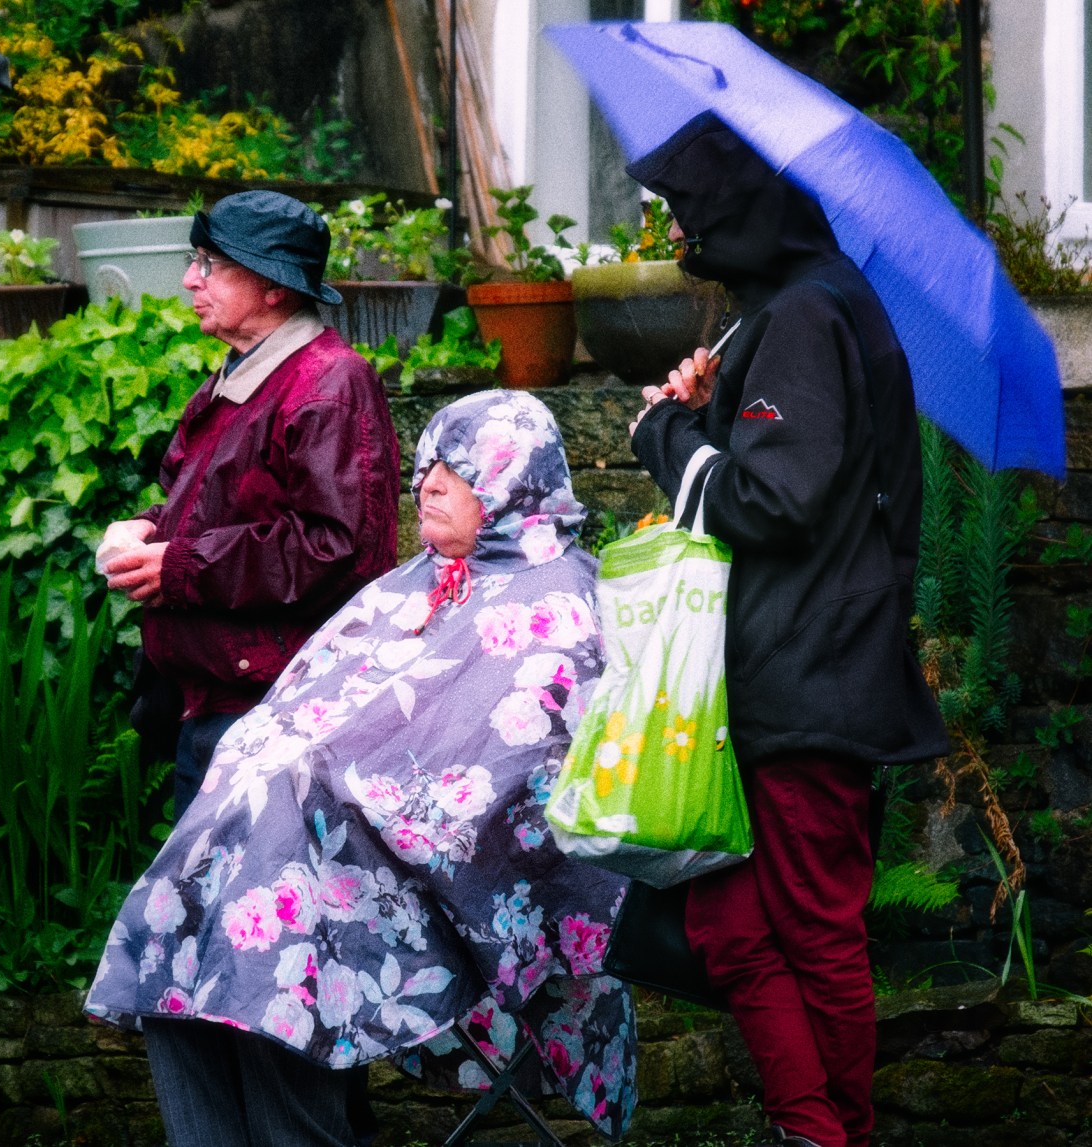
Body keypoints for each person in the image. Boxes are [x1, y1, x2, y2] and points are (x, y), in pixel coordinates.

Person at [86, 390, 637, 1147]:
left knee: (270, 956)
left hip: (451, 883)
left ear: (514, 478)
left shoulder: (561, 598)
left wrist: (326, 788)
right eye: (427, 465)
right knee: (172, 947)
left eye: (456, 469)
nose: (428, 484)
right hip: (306, 847)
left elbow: (514, 780)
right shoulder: (423, 578)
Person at [625, 112, 950, 1147]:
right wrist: (710, 412)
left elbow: (775, 502)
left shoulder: (807, 315)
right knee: (727, 924)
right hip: (779, 673)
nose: (681, 237)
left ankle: (829, 1130)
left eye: (690, 213)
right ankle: (811, 1126)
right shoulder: (802, 307)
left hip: (806, 674)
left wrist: (666, 433)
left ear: (742, 210)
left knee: (812, 929)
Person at [99, 190, 400, 822]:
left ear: (274, 287)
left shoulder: (329, 384)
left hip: (274, 712)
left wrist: (180, 566)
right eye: (194, 261)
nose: (190, 280)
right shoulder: (241, 375)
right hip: (216, 700)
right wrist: (143, 529)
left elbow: (334, 548)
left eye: (210, 264)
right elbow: (203, 506)